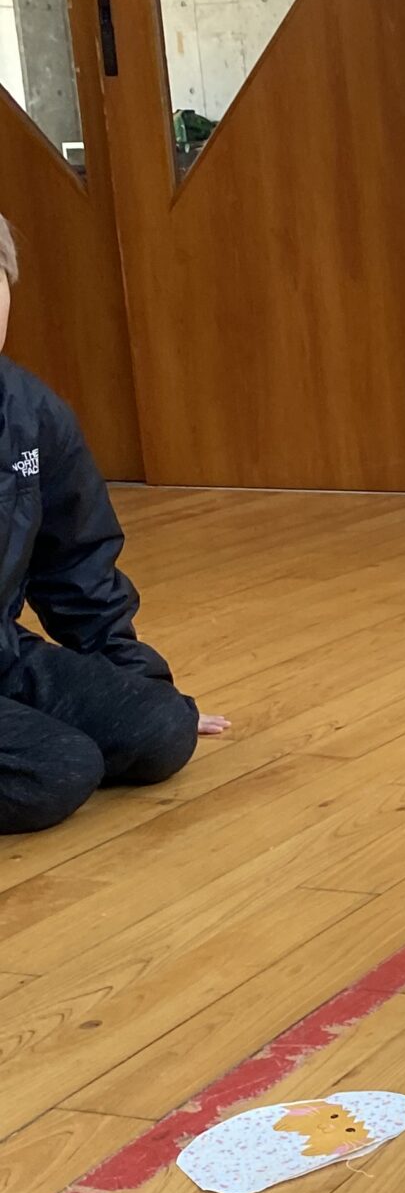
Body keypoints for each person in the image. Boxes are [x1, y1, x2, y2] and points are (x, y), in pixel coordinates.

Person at [0, 212, 214, 834]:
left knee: (161, 728)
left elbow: (76, 563)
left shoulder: (32, 411)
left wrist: (135, 684)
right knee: (55, 770)